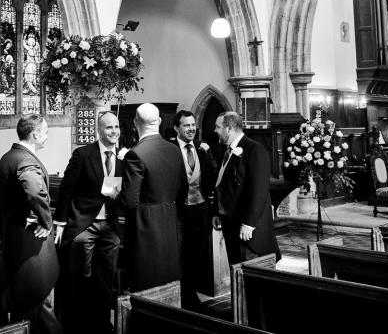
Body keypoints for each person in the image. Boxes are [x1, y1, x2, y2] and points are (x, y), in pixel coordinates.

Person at [54, 112, 123, 334]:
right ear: (99, 131)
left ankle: (102, 324)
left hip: (110, 226)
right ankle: (79, 326)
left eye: (117, 127)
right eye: (109, 128)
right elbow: (66, 189)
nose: (115, 131)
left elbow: (117, 191)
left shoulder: (121, 158)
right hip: (85, 226)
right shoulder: (83, 154)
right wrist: (61, 222)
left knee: (106, 280)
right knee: (81, 280)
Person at [0, 114, 62, 334]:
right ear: (35, 134)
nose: (47, 137)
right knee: (41, 298)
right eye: (45, 132)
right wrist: (47, 220)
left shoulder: (8, 157)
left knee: (25, 301)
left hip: (13, 236)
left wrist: (0, 231)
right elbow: (34, 190)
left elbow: (0, 200)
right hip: (31, 242)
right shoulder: (26, 160)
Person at [115, 103, 188, 292]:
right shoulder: (174, 150)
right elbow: (183, 190)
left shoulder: (136, 154)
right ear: (160, 121)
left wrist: (115, 195)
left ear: (135, 122)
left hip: (144, 227)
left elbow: (129, 202)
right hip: (170, 222)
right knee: (167, 281)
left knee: (144, 281)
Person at [211, 111, 281, 268]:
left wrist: (249, 223)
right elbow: (223, 184)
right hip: (230, 221)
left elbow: (259, 190)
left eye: (217, 127)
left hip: (246, 226)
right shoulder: (228, 150)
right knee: (235, 268)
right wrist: (218, 212)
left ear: (228, 128)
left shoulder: (253, 150)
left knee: (249, 269)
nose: (215, 130)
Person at [171, 110, 217, 312]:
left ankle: (191, 294)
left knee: (195, 256)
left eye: (193, 125)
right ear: (176, 128)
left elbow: (212, 175)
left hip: (200, 209)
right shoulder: (170, 149)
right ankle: (179, 297)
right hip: (179, 211)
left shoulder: (202, 148)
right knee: (179, 255)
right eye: (186, 125)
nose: (191, 129)